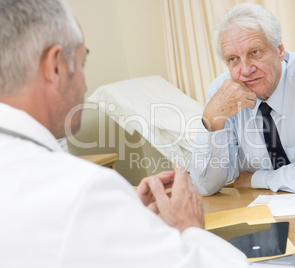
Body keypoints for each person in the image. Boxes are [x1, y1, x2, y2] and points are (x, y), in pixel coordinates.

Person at [0, 0, 250, 267]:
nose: (85, 84)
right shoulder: (82, 190)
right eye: (83, 63)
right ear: (57, 67)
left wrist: (126, 218)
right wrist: (190, 228)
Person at [190, 3, 295, 196]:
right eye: (233, 59)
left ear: (279, 50)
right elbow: (206, 186)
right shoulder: (222, 92)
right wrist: (213, 119)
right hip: (265, 207)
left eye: (254, 52)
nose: (246, 70)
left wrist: (257, 179)